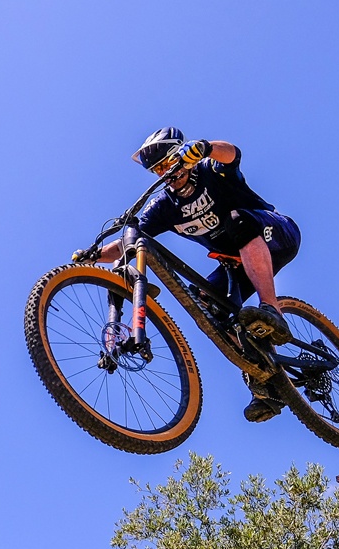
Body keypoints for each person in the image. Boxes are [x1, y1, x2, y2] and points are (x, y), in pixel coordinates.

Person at [81, 127, 303, 423]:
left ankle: (271, 308)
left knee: (237, 220)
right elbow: (127, 243)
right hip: (238, 263)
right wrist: (93, 255)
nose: (166, 173)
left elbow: (232, 154)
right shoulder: (164, 206)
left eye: (168, 163)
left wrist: (205, 148)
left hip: (276, 236)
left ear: (183, 156)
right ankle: (267, 382)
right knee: (206, 304)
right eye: (158, 169)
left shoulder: (210, 170)